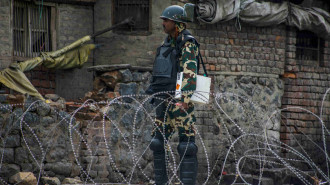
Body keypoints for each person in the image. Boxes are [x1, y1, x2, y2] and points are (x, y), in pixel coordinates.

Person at [146, 5, 199, 185]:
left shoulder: (187, 42)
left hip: (179, 101)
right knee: (157, 143)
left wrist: (185, 99)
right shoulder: (166, 43)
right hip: (163, 98)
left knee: (187, 146)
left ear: (176, 22)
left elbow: (189, 71)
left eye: (166, 20)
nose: (163, 23)